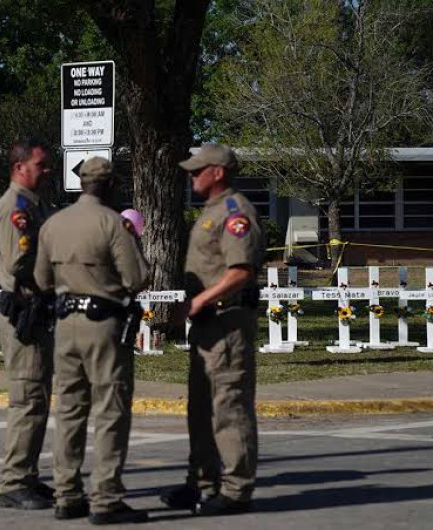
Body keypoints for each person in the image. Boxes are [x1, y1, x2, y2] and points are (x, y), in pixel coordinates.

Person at [35, 157, 150, 525]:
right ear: (112, 184)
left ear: (81, 182)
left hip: (65, 323)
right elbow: (136, 278)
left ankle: (67, 494)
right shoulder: (113, 223)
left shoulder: (54, 224)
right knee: (110, 409)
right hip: (103, 324)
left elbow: (41, 280)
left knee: (68, 410)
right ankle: (106, 497)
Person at [160, 144, 263, 516]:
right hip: (206, 328)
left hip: (227, 325)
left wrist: (200, 301)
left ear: (217, 172)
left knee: (229, 409)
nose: (191, 176)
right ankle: (202, 483)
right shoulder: (211, 212)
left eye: (197, 170)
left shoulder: (236, 213)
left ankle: (236, 491)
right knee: (201, 409)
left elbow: (241, 272)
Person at [0, 138, 56, 510]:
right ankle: (13, 482)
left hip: (38, 311)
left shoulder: (35, 204)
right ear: (19, 167)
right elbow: (20, 264)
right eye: (41, 165)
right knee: (27, 400)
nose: (47, 171)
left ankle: (27, 475)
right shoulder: (16, 207)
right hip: (24, 310)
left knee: (38, 399)